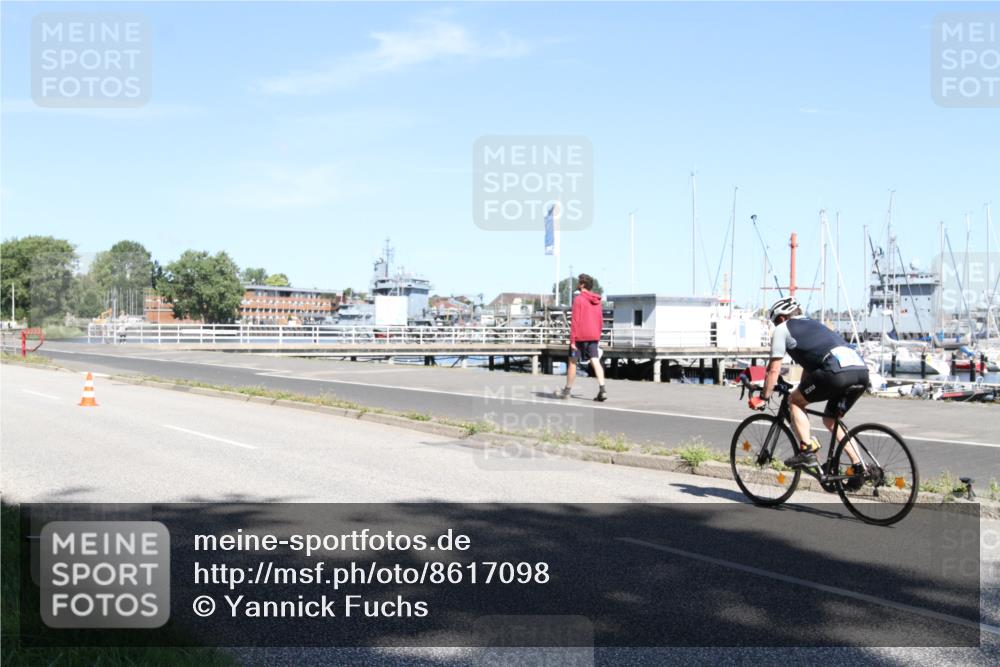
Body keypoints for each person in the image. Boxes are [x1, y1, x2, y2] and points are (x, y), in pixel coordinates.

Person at [750, 297, 868, 478]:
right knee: (830, 420)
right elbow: (810, 367)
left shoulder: (783, 329)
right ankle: (859, 467)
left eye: (775, 323)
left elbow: (773, 369)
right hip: (860, 371)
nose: (775, 326)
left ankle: (806, 452)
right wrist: (800, 387)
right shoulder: (815, 326)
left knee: (794, 402)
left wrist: (764, 397)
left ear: (781, 318)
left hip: (835, 372)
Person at [558, 273, 607, 401]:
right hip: (593, 336)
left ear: (582, 285)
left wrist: (572, 340)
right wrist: (598, 335)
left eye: (579, 282)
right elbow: (600, 320)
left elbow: (575, 321)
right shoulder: (597, 301)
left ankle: (567, 391)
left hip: (580, 336)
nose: (577, 283)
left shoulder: (579, 299)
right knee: (595, 360)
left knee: (572, 362)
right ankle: (602, 389)